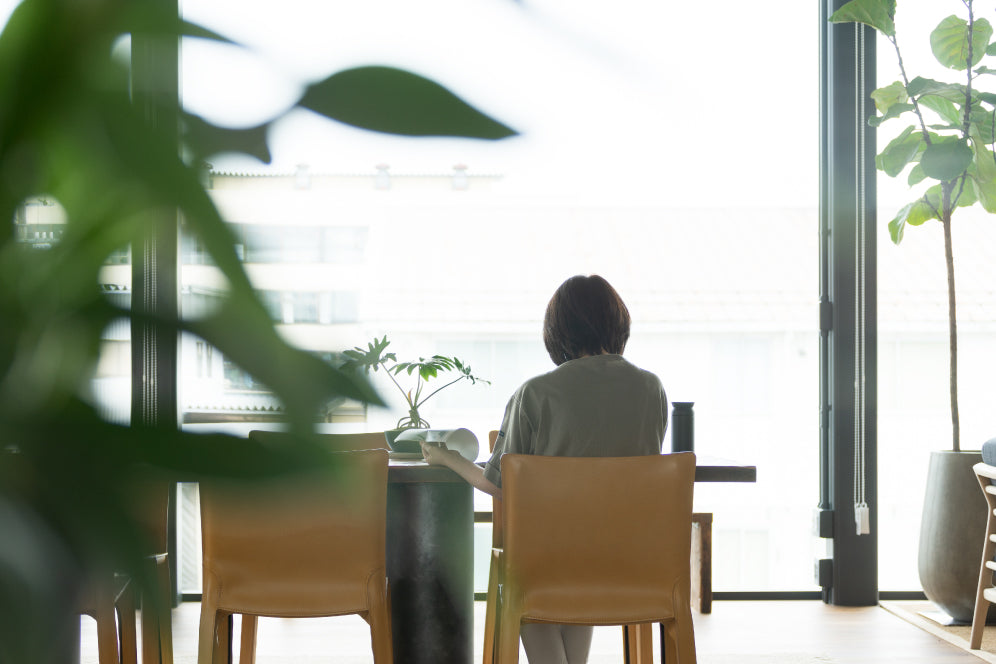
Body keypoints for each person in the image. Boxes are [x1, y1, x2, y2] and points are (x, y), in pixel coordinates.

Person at [421, 274, 668, 664]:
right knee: (578, 559)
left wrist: (447, 458)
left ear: (558, 330)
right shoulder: (652, 389)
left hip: (551, 560)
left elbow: (498, 485)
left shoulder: (535, 394)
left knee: (530, 569)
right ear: (618, 323)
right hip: (629, 557)